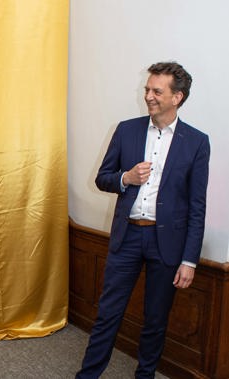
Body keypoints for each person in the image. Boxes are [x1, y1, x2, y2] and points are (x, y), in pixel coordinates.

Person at [76, 62, 210, 378]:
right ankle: (88, 375)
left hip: (168, 244)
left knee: (155, 319)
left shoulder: (197, 142)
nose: (148, 95)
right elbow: (103, 178)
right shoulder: (126, 130)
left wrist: (190, 260)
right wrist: (126, 177)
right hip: (127, 238)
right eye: (147, 89)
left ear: (177, 97)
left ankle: (145, 375)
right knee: (108, 313)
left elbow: (196, 205)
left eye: (156, 91)